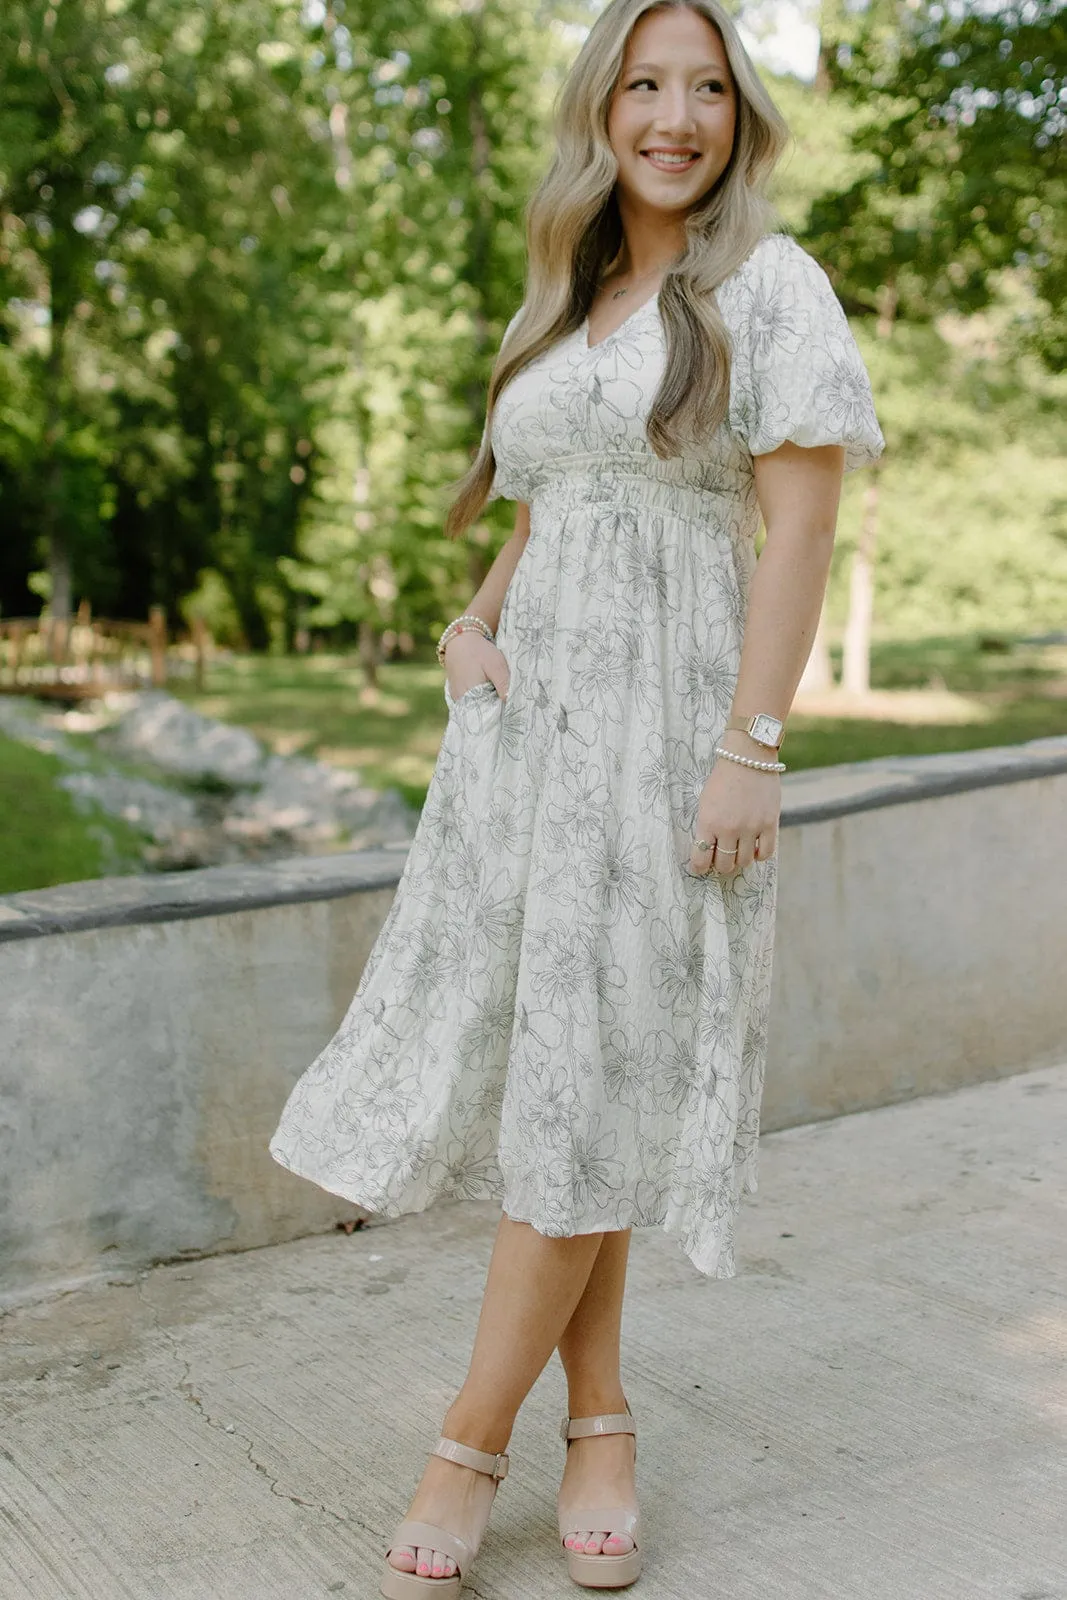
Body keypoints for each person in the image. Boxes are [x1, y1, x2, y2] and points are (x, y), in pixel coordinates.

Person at [269, 0, 885, 1593]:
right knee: (570, 1079)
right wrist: (476, 622)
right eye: (642, 85)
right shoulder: (575, 288)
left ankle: (463, 1444)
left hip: (672, 733)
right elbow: (557, 505)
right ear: (598, 109)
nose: (673, 115)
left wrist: (751, 743)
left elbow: (796, 532)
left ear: (738, 113)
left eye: (703, 88)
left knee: (589, 1076)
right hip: (530, 747)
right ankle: (599, 1417)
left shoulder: (763, 283)